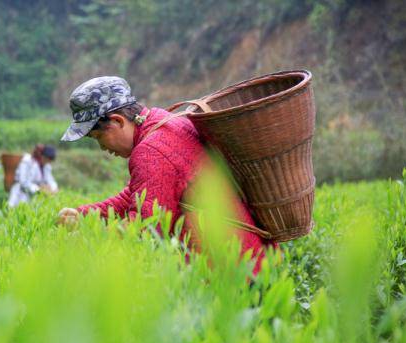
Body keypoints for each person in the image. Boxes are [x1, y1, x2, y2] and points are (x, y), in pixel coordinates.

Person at [56, 76, 274, 273]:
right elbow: (137, 196)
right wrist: (83, 215)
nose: (102, 148)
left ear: (118, 121)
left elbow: (146, 227)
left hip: (227, 272)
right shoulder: (165, 121)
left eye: (97, 138)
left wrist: (87, 240)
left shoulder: (151, 151)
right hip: (250, 259)